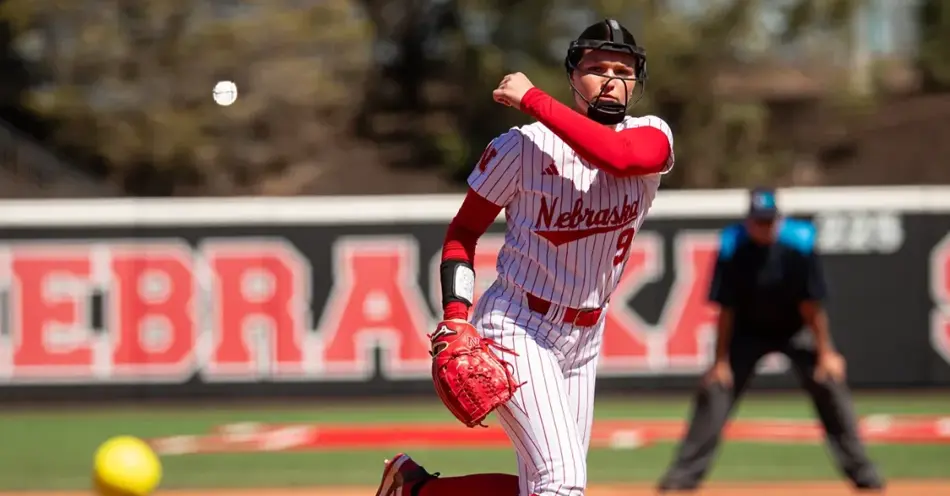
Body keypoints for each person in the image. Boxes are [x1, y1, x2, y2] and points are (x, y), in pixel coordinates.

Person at [372, 18, 675, 496]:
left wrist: (533, 98)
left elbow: (618, 158)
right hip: (518, 323)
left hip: (585, 337)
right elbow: (463, 232)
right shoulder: (522, 147)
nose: (613, 78)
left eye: (625, 69)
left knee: (544, 486)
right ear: (573, 75)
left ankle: (416, 489)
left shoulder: (651, 134)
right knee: (561, 483)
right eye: (598, 67)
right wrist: (456, 314)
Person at [656, 187, 886, 493]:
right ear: (748, 221)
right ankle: (681, 478)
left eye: (770, 221)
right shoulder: (732, 247)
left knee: (829, 384)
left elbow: (811, 305)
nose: (765, 228)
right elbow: (726, 310)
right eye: (759, 222)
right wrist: (720, 361)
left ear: (779, 219)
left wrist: (826, 353)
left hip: (794, 327)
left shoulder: (798, 244)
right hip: (747, 330)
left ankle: (865, 475)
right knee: (715, 389)